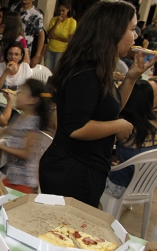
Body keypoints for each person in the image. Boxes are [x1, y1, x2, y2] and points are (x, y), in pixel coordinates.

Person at [39, 1, 156, 207]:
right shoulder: (86, 72)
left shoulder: (101, 68)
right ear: (112, 32)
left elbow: (108, 112)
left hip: (87, 168)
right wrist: (119, 125)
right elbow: (77, 128)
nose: (136, 35)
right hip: (72, 170)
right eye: (131, 29)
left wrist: (130, 78)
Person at [105, 80, 157, 198]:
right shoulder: (154, 124)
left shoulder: (126, 127)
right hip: (144, 186)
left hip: (119, 186)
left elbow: (105, 149)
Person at [44, 0, 76, 72]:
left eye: (63, 11)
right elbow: (49, 36)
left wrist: (55, 37)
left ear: (68, 10)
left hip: (61, 51)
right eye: (59, 11)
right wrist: (57, 23)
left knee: (56, 72)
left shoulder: (72, 22)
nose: (61, 13)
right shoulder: (54, 19)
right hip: (50, 50)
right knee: (47, 71)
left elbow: (69, 39)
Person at [11, 0, 44, 68]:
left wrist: (37, 55)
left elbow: (41, 34)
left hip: (25, 49)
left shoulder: (37, 14)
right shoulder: (14, 7)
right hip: (10, 44)